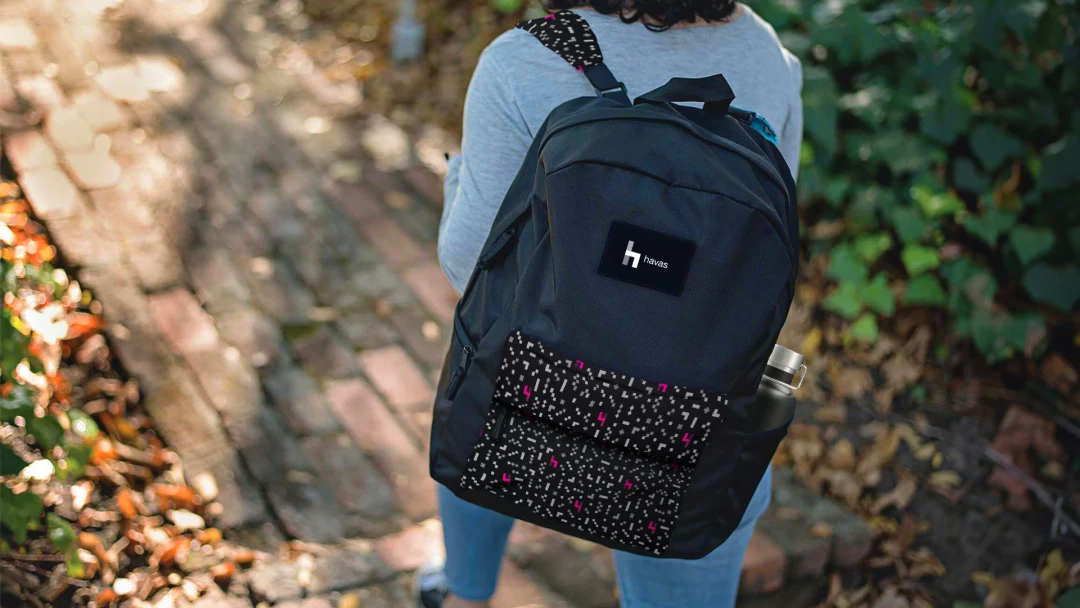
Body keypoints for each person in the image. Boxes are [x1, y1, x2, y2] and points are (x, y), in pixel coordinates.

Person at [425, 2, 803, 606]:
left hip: (534, 386)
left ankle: (465, 591)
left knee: (480, 378)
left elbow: (469, 263)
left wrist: (457, 179)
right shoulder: (765, 52)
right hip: (687, 418)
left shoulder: (522, 62)